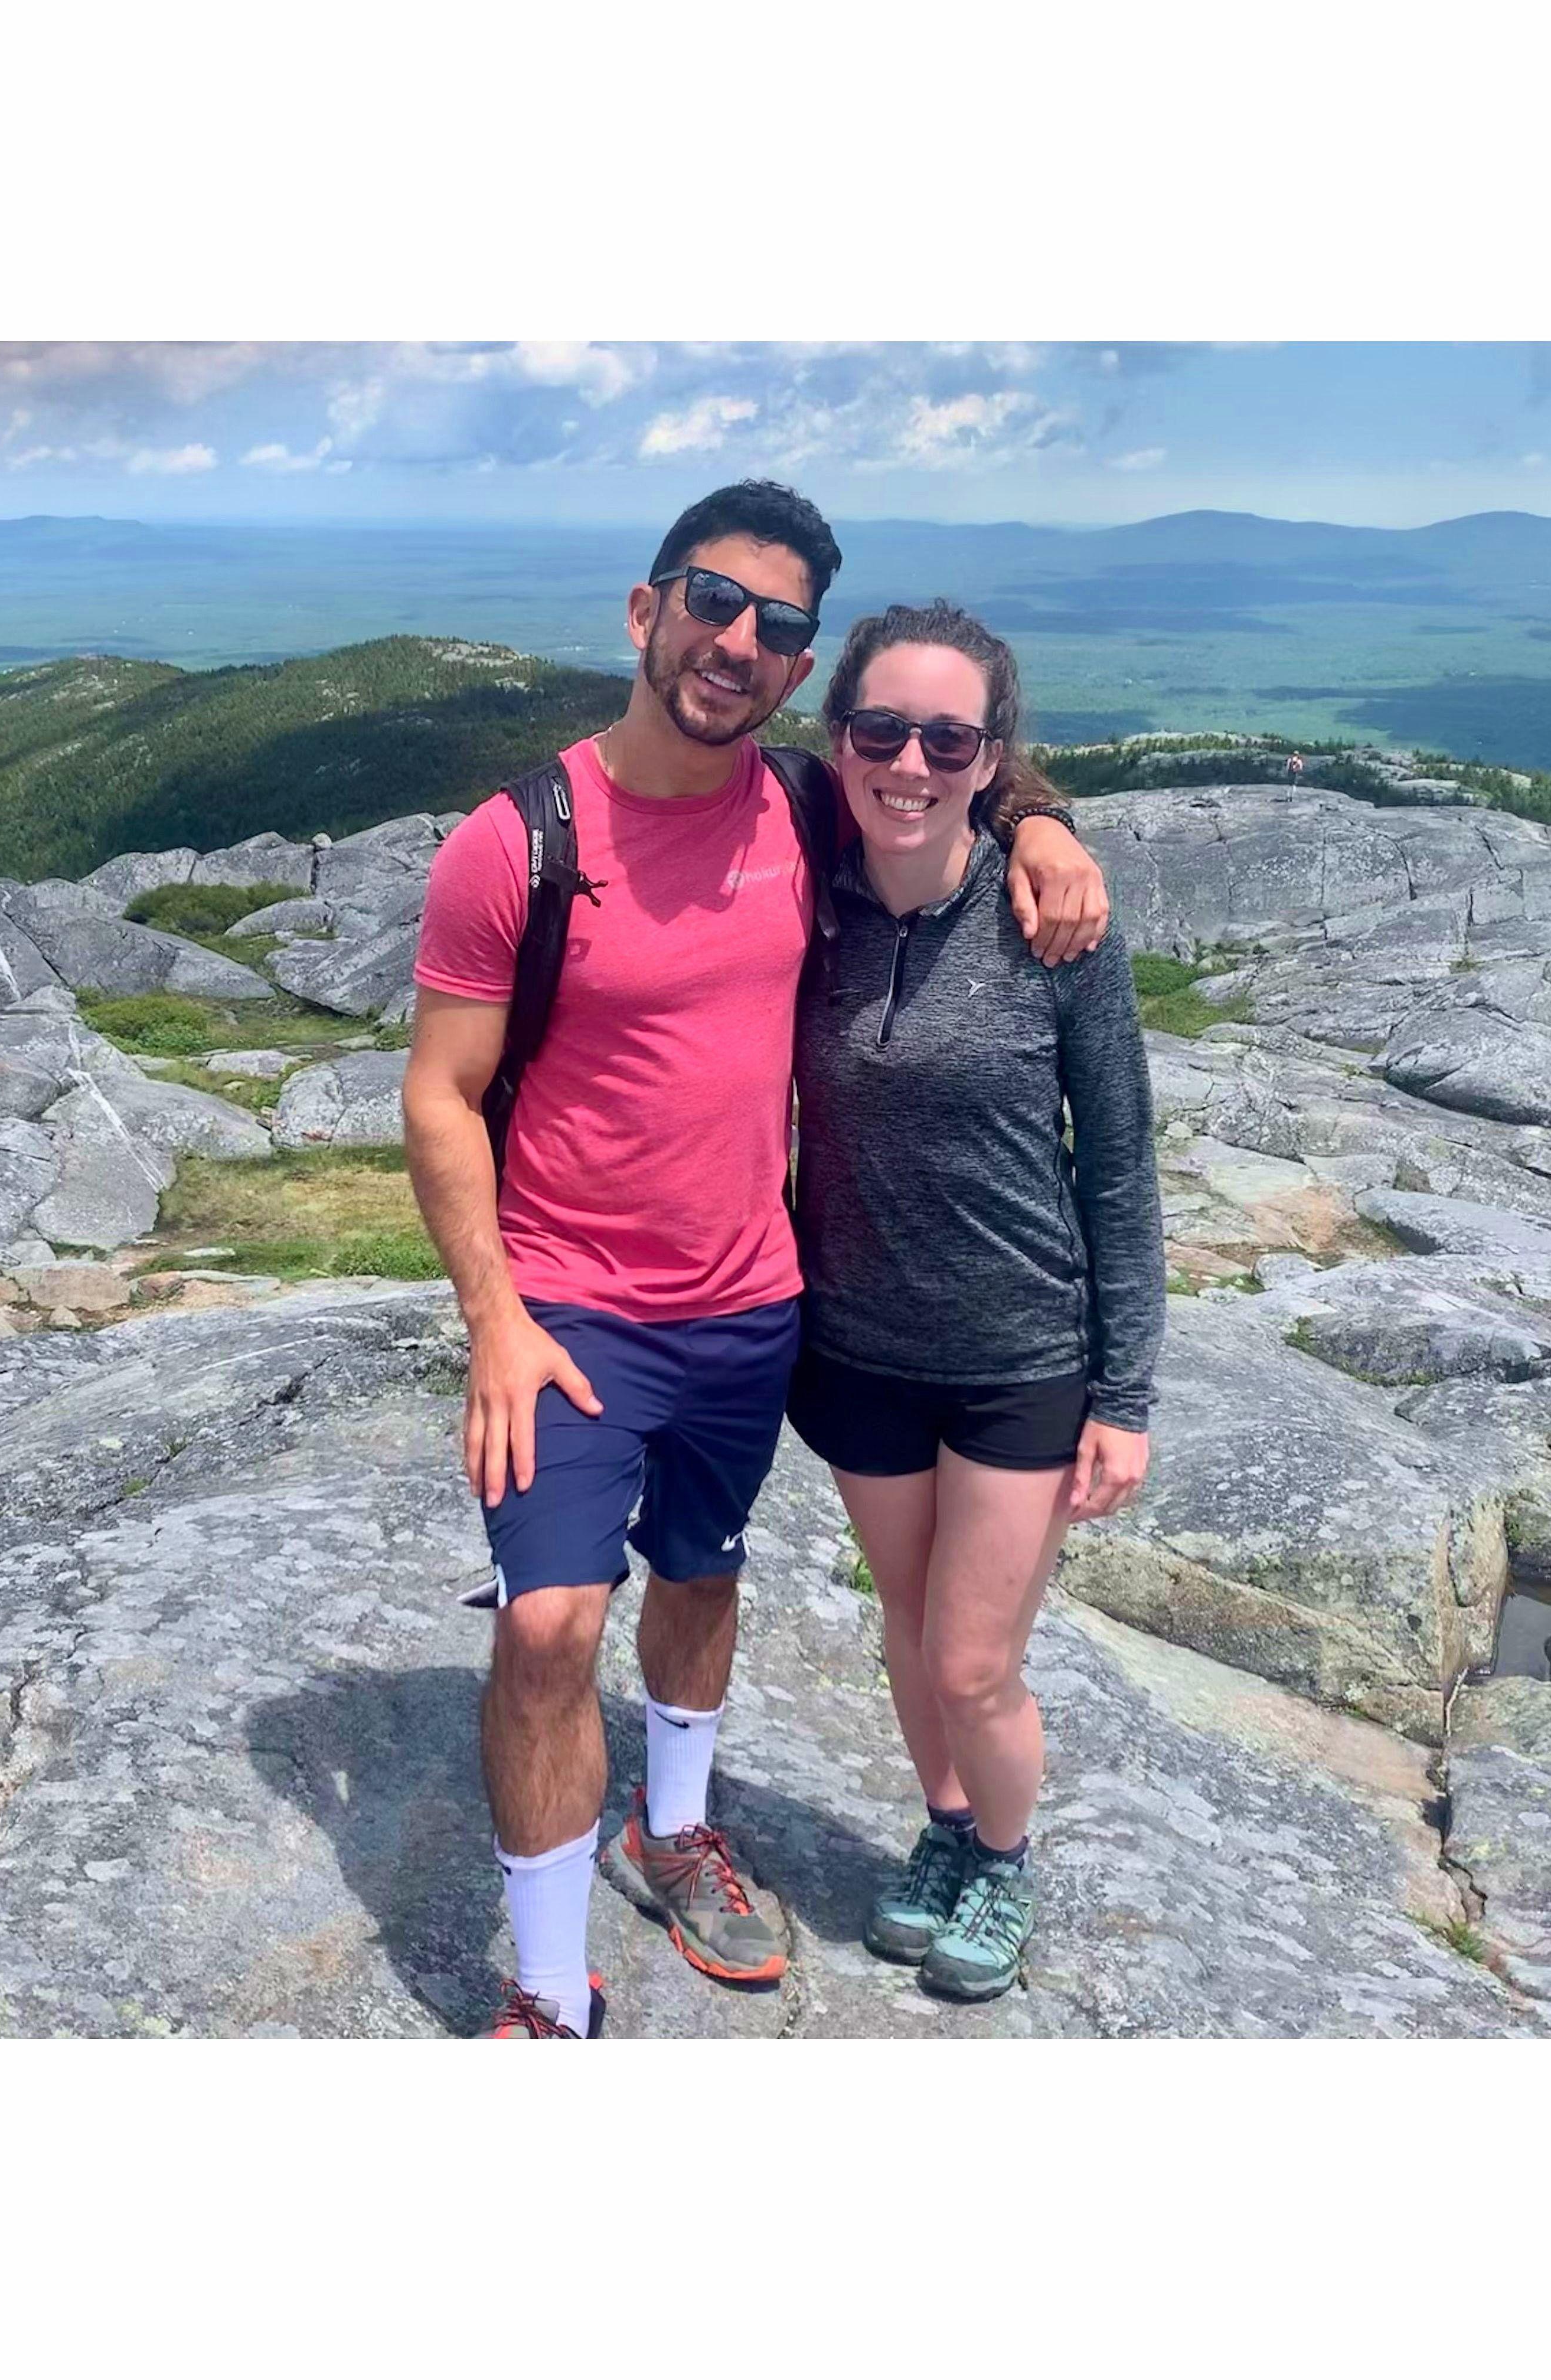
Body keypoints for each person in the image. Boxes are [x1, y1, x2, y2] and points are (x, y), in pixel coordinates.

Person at [403, 482, 1111, 2038]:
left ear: (802, 671)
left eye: (779, 628)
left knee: (705, 1570)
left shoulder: (805, 806)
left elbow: (949, 765)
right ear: (645, 610)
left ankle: (674, 1822)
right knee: (544, 1629)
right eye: (712, 603)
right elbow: (440, 1093)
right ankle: (542, 1986)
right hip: (572, 1312)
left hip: (755, 1308)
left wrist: (1043, 817)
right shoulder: (516, 842)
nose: (739, 642)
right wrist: (495, 1320)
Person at [786, 599, 1164, 2003]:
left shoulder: (1049, 924)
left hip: (1018, 1355)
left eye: (951, 739)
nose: (910, 763)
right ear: (836, 741)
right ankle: (946, 1832)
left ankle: (1005, 1858)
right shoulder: (802, 890)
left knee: (971, 1660)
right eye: (881, 730)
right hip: (857, 1349)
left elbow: (1119, 1166)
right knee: (905, 1623)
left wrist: (1124, 1396)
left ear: (994, 758)